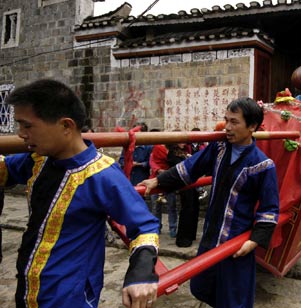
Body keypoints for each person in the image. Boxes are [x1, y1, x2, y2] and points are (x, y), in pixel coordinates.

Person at [0, 79, 160, 308]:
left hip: (70, 297)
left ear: (66, 126)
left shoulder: (101, 174)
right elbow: (5, 169)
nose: (21, 134)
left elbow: (144, 226)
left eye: (27, 126)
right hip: (28, 289)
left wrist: (141, 274)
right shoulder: (38, 160)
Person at [138, 97, 279, 308]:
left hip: (236, 241)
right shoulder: (219, 148)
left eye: (234, 122)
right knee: (204, 286)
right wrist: (158, 180)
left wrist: (254, 241)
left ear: (252, 126)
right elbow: (190, 168)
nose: (227, 128)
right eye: (226, 120)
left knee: (234, 297)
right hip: (211, 235)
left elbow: (269, 209)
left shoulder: (263, 165)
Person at [166, 140, 199, 247]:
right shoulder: (172, 154)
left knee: (194, 207)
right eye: (181, 142)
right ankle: (183, 238)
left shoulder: (184, 152)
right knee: (187, 209)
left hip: (191, 182)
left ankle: (191, 235)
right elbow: (179, 167)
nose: (184, 144)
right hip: (183, 184)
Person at [149, 140, 178, 238]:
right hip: (155, 179)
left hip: (169, 179)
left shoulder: (174, 151)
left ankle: (173, 228)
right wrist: (158, 170)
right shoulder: (156, 149)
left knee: (172, 205)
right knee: (155, 206)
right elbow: (152, 161)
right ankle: (157, 227)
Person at [118, 122, 153, 186]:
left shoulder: (149, 147)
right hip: (128, 177)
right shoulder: (128, 146)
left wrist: (138, 164)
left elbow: (150, 162)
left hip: (141, 177)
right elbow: (121, 159)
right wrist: (127, 163)